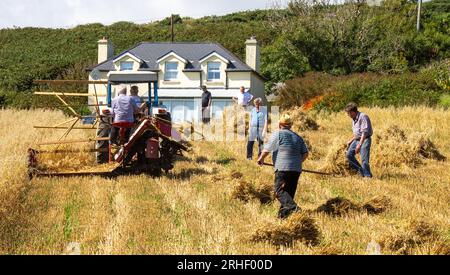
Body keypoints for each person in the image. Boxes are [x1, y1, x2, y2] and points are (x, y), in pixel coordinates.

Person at [257, 114, 309, 219]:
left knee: (279, 191)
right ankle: (281, 218)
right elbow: (305, 153)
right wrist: (297, 162)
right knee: (288, 194)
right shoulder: (297, 137)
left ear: (280, 124)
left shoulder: (278, 134)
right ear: (290, 125)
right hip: (296, 169)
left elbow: (267, 149)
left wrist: (261, 159)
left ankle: (296, 209)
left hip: (282, 168)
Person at [345, 102, 373, 178]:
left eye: (348, 113)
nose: (348, 115)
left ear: (353, 112)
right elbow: (357, 133)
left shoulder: (363, 117)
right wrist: (351, 141)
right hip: (357, 139)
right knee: (348, 155)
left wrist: (359, 145)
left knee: (364, 159)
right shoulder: (354, 119)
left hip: (364, 140)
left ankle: (367, 176)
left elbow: (364, 133)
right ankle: (361, 171)